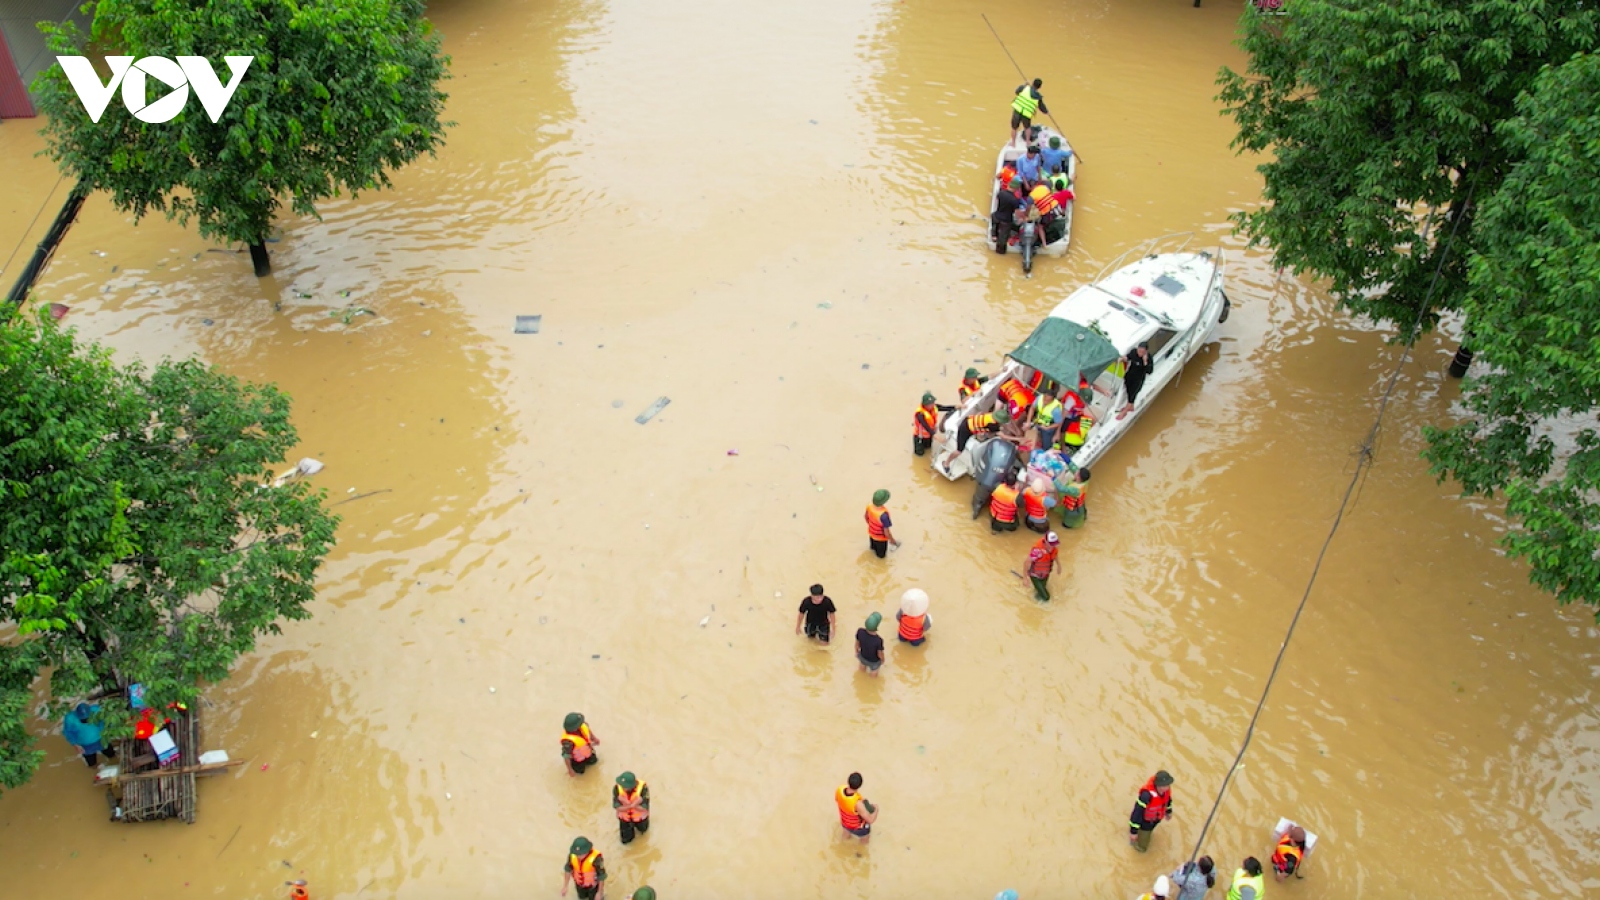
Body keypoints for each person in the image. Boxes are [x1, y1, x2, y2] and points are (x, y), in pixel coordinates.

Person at [940, 406, 1010, 472]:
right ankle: (946, 463)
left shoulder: (990, 415)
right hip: (965, 429)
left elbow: (981, 414)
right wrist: (1018, 439)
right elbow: (1002, 436)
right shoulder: (992, 425)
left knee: (982, 436)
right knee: (959, 451)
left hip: (969, 421)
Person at [1128, 769, 1175, 852]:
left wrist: (1169, 811)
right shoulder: (1146, 795)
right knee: (1142, 848)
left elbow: (1168, 800)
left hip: (1155, 820)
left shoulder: (1165, 791)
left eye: (1168, 785)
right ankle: (1137, 846)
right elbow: (1137, 813)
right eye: (1165, 785)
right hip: (1145, 823)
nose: (1167, 787)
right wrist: (1133, 832)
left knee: (1148, 834)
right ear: (1158, 785)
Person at [62, 703, 115, 768]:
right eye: (82, 720)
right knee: (92, 763)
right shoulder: (70, 718)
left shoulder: (97, 710)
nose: (85, 721)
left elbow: (107, 721)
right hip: (85, 745)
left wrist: (109, 731)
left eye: (86, 719)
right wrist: (75, 744)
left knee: (111, 755)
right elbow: (68, 732)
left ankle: (113, 761)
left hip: (101, 739)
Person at [835, 772, 879, 842]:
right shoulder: (857, 804)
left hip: (845, 823)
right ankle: (860, 852)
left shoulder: (839, 790)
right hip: (858, 828)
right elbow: (870, 820)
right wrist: (876, 809)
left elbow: (838, 800)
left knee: (844, 838)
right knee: (864, 841)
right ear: (860, 785)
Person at [1118, 342, 1154, 420]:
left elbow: (1150, 371)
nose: (1140, 353)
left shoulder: (1149, 358)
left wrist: (1145, 362)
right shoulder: (1134, 352)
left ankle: (1125, 411)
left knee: (1133, 394)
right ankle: (1131, 407)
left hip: (1139, 378)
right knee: (1128, 390)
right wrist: (1122, 359)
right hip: (1130, 375)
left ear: (1146, 352)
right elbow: (1128, 357)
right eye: (1139, 351)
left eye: (1142, 352)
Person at [613, 771, 651, 844]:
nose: (623, 787)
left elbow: (644, 808)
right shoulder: (617, 788)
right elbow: (617, 807)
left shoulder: (643, 789)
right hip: (625, 819)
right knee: (625, 841)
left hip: (640, 818)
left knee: (643, 832)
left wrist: (630, 804)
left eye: (625, 786)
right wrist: (633, 804)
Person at [992, 179, 1027, 252]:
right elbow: (1017, 213)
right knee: (1002, 242)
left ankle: (994, 236)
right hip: (1006, 221)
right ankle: (1000, 252)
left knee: (994, 220)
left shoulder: (1000, 193)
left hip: (996, 217)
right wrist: (1024, 217)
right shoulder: (1014, 200)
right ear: (1016, 189)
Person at [1010, 78, 1048, 145]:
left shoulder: (1024, 88)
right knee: (1027, 128)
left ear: (1032, 83)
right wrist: (1047, 112)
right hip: (1026, 114)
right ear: (1039, 87)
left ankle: (1013, 143)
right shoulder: (1038, 96)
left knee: (1014, 128)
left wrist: (1025, 84)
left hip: (1017, 111)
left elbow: (1017, 92)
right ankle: (1028, 141)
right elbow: (1042, 107)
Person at [1026, 532, 1061, 602]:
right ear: (1046, 542)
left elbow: (1055, 555)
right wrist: (1025, 578)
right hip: (1035, 575)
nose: (1053, 546)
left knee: (1042, 588)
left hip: (1046, 573)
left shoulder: (1054, 548)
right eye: (1051, 544)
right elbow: (1026, 562)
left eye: (1054, 544)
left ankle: (1036, 597)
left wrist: (1059, 565)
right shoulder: (1037, 551)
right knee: (1046, 597)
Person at [864, 490, 899, 558]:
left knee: (872, 549)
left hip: (871, 535)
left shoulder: (869, 507)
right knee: (881, 556)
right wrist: (892, 540)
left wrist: (872, 527)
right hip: (880, 540)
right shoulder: (884, 515)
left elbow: (866, 517)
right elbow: (886, 533)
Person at [1031, 388, 1064, 454]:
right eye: (1044, 399)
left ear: (1052, 400)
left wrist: (1047, 428)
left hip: (1048, 428)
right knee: (1032, 439)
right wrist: (1028, 421)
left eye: (1048, 401)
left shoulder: (1055, 410)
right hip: (1039, 422)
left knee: (1046, 447)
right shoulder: (1039, 398)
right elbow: (1032, 408)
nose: (1045, 402)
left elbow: (1058, 423)